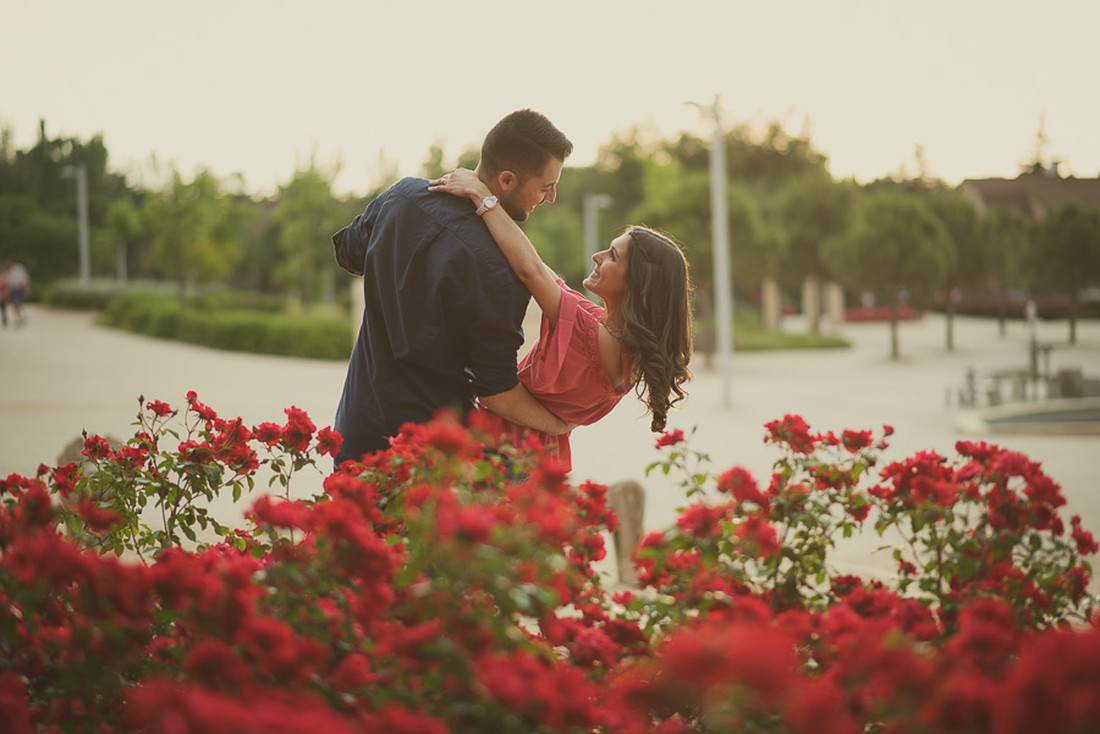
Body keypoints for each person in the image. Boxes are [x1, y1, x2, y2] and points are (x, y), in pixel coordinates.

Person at [332, 110, 575, 466]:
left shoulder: (402, 196)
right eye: (545, 186)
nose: (551, 197)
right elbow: (496, 391)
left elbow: (348, 252)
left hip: (357, 428)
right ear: (507, 180)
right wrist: (558, 423)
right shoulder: (501, 270)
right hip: (428, 453)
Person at [428, 168, 693, 470]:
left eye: (612, 256)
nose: (597, 255)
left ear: (638, 283)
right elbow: (542, 271)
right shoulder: (619, 343)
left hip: (509, 458)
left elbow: (530, 270)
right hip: (536, 461)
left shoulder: (597, 339)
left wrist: (482, 195)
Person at [4, 261, 30, 327]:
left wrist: (26, 289)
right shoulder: (7, 273)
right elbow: (8, 284)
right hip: (13, 289)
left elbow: (25, 279)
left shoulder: (18, 269)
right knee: (14, 304)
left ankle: (21, 316)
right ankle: (20, 317)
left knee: (18, 303)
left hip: (19, 288)